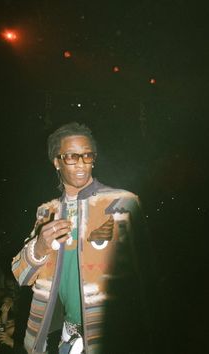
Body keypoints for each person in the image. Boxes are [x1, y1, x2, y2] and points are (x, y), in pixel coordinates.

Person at [12, 122, 151, 354]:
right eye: (71, 157)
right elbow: (21, 275)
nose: (81, 164)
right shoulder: (47, 212)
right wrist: (40, 246)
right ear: (56, 161)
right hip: (67, 336)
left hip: (112, 335)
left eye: (87, 155)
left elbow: (148, 273)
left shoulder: (122, 203)